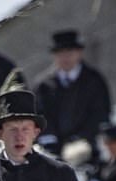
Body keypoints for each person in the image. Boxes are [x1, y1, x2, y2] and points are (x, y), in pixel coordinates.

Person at [35, 29, 111, 162]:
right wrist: (49, 138)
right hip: (53, 147)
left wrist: (82, 138)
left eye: (69, 53)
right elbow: (39, 115)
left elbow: (101, 114)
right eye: (60, 54)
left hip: (87, 148)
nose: (65, 58)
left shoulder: (94, 81)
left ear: (79, 53)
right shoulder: (44, 85)